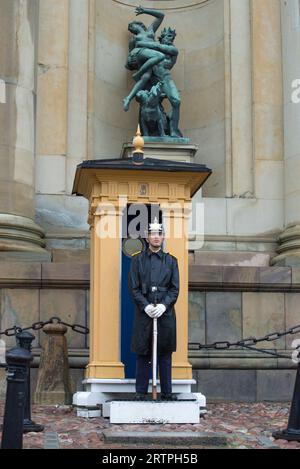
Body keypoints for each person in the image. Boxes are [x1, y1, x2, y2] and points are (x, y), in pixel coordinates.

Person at [128, 217, 180, 401]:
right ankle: (140, 392)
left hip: (165, 313)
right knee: (143, 352)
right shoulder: (137, 261)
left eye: (159, 233)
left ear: (164, 237)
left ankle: (167, 392)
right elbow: (133, 288)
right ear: (147, 237)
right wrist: (146, 306)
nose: (156, 237)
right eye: (153, 234)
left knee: (164, 353)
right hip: (145, 312)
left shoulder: (171, 261)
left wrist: (164, 305)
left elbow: (175, 289)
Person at [123, 6, 166, 111]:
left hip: (149, 58)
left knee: (145, 77)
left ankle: (128, 98)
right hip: (141, 54)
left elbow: (161, 16)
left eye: (132, 26)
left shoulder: (150, 30)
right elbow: (131, 53)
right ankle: (138, 73)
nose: (131, 29)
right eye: (130, 29)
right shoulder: (134, 39)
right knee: (160, 56)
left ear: (138, 24)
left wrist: (145, 11)